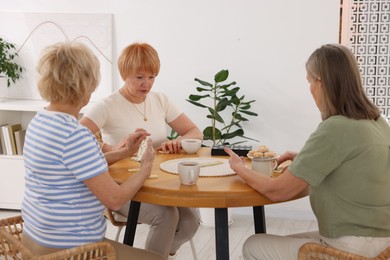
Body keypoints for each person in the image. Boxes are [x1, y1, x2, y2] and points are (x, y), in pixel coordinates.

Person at [224, 44, 390, 259]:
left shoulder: (336, 127)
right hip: (381, 243)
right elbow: (353, 170)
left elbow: (279, 191)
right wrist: (304, 160)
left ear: (321, 82)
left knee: (253, 245)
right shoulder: (378, 122)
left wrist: (240, 168)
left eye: (310, 81)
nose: (310, 89)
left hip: (351, 245)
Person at [21, 41, 163, 260]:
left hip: (34, 237)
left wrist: (123, 153)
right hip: (71, 249)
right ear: (85, 85)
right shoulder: (75, 135)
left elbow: (72, 168)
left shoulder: (40, 121)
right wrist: (145, 167)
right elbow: (115, 200)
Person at [80, 42, 202, 259]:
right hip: (122, 187)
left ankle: (157, 254)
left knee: (191, 220)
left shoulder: (160, 100)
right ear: (124, 73)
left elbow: (194, 132)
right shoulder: (107, 105)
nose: (147, 84)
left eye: (152, 76)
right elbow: (76, 137)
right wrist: (109, 148)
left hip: (160, 181)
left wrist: (179, 142)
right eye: (139, 77)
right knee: (166, 216)